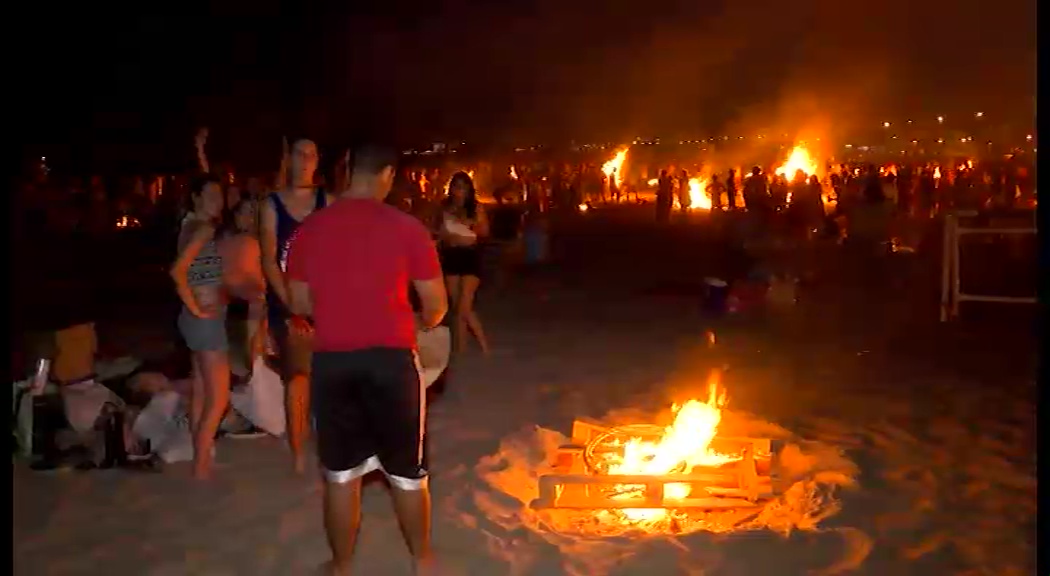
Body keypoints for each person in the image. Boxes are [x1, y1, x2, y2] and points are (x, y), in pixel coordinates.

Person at [285, 144, 448, 575]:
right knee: (407, 474)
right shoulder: (407, 227)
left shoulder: (309, 229)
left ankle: (341, 564)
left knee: (341, 475)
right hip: (391, 360)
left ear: (347, 172)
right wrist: (419, 319)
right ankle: (423, 560)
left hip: (333, 362)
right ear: (388, 174)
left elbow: (299, 301)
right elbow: (436, 304)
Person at [259, 137, 334, 473]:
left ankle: (329, 443)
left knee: (331, 375)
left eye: (311, 154)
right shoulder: (272, 205)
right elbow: (269, 260)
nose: (304, 160)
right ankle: (298, 453)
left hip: (327, 303)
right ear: (288, 159)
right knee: (298, 377)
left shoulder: (327, 202)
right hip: (288, 303)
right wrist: (291, 304)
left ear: (318, 161)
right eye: (298, 154)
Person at [168, 174, 228, 480]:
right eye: (212, 195)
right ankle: (202, 465)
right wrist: (198, 308)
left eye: (221, 194)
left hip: (192, 320)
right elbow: (177, 271)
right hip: (204, 321)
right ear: (196, 198)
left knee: (202, 392)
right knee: (219, 396)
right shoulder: (202, 228)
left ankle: (201, 458)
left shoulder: (189, 224)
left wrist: (200, 152)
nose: (219, 200)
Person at [437, 171, 491, 355]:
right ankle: (465, 348)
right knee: (457, 307)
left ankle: (478, 346)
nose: (459, 191)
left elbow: (484, 233)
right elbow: (439, 231)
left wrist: (470, 223)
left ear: (469, 189)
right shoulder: (445, 207)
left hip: (470, 257)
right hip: (452, 255)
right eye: (456, 186)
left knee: (464, 306)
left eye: (463, 187)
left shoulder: (476, 208)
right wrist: (447, 238)